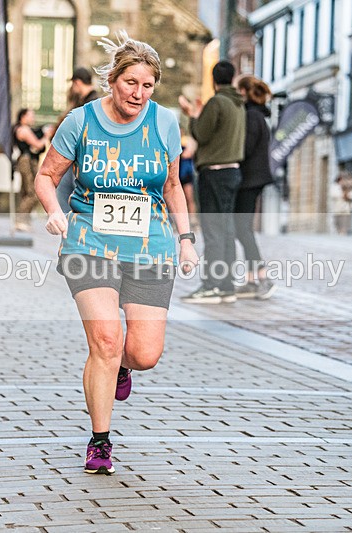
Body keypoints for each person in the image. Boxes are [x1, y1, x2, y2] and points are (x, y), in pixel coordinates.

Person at [33, 32, 199, 475]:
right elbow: (46, 175)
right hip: (89, 242)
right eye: (131, 84)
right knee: (105, 341)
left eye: (148, 86)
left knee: (142, 353)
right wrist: (54, 211)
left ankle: (121, 367)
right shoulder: (81, 121)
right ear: (113, 80)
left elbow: (171, 186)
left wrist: (186, 239)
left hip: (150, 246)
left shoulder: (164, 123)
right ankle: (100, 441)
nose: (139, 94)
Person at [179, 61, 246, 303]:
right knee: (226, 230)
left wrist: (192, 116)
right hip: (233, 172)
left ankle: (211, 284)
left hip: (214, 173)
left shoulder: (217, 102)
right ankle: (227, 285)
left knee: (213, 230)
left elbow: (202, 133)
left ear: (214, 79)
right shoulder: (239, 104)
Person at [233, 75, 276, 299]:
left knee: (243, 229)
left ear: (243, 92)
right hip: (254, 179)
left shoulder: (251, 116)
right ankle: (252, 280)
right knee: (244, 229)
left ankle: (262, 277)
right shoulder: (258, 115)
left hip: (249, 180)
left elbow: (245, 149)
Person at [55, 67, 102, 212]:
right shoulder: (86, 101)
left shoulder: (91, 103)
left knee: (69, 190)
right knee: (65, 189)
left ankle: (71, 222)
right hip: (79, 153)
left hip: (84, 155)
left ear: (77, 83)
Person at [13, 108, 49, 231]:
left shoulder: (23, 129)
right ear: (23, 116)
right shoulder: (23, 130)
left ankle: (23, 220)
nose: (33, 118)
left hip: (29, 160)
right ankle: (20, 219)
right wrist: (46, 136)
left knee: (25, 191)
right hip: (26, 161)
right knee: (32, 192)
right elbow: (37, 144)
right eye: (30, 115)